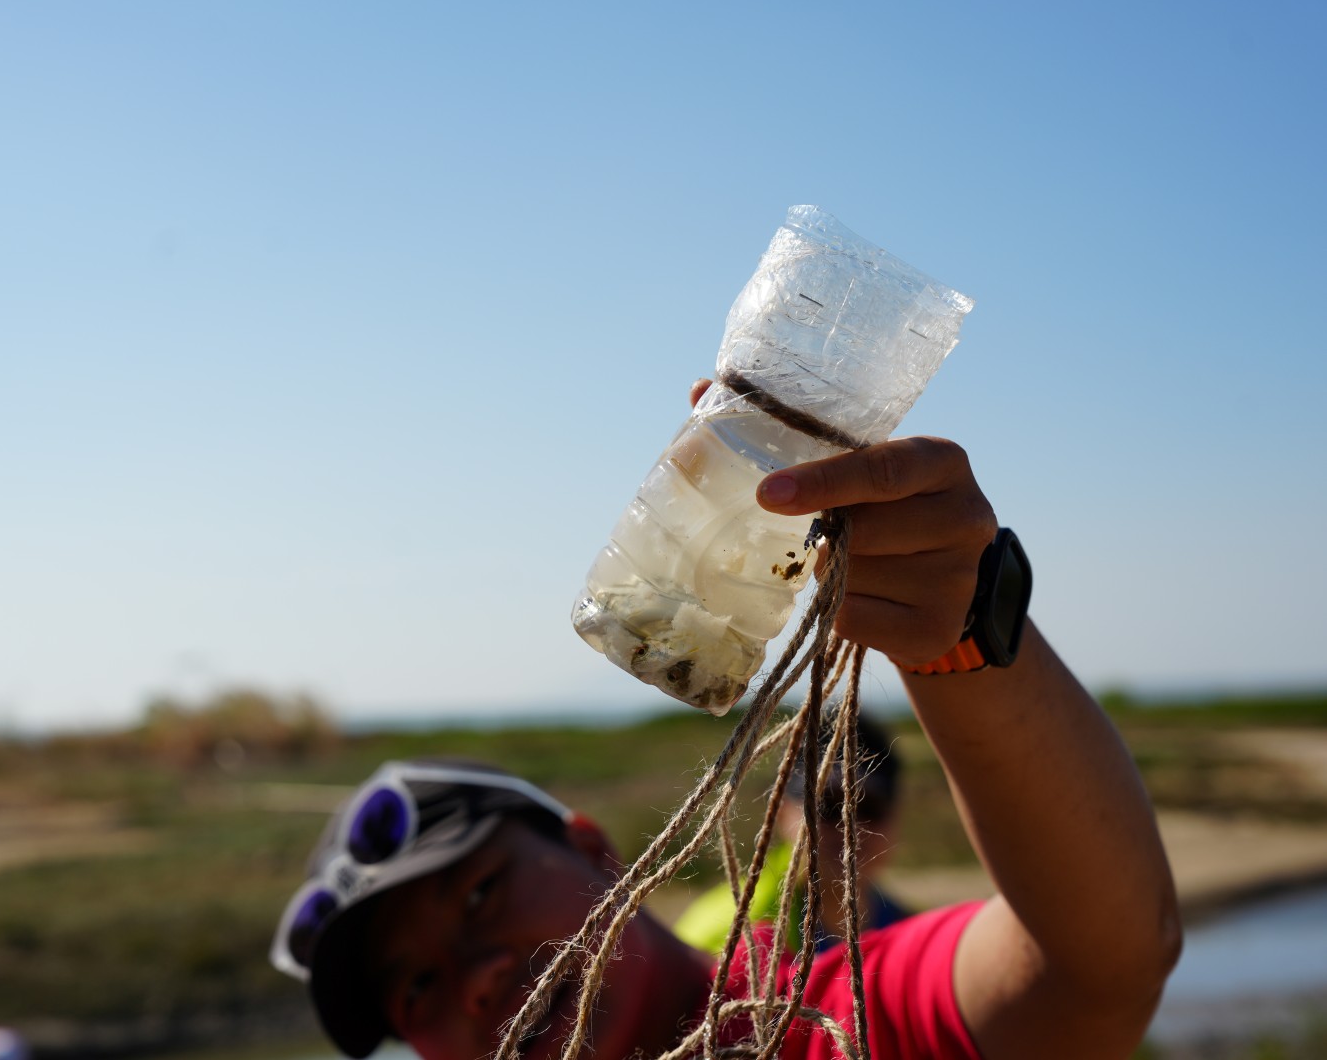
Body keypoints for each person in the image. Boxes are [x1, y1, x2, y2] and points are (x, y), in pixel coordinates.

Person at [270, 401, 1183, 1060]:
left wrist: (958, 631)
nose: (473, 978)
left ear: (592, 849)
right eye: (416, 987)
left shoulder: (815, 1025)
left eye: (479, 896)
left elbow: (1097, 968)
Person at [673, 711, 909, 956]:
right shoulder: (728, 932)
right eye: (828, 806)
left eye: (868, 808)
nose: (849, 828)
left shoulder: (903, 925)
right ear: (780, 811)